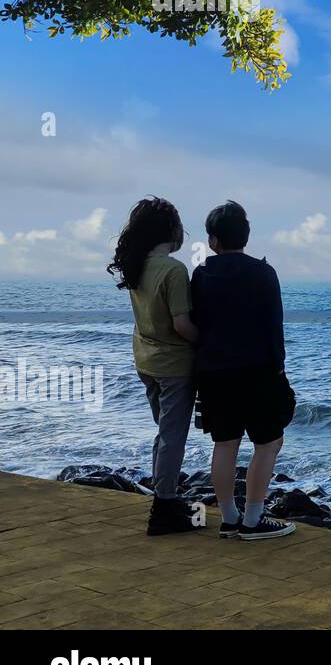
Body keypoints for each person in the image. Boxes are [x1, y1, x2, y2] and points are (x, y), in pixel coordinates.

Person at [190, 200, 296, 541]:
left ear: (213, 241)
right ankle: (253, 518)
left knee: (225, 443)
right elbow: (273, 327)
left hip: (213, 373)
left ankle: (230, 518)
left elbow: (198, 323)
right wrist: (279, 372)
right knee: (268, 442)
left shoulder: (201, 275)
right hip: (259, 372)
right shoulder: (264, 273)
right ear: (245, 237)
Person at [108, 197, 200, 536]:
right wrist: (207, 341)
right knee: (173, 436)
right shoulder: (174, 269)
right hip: (174, 364)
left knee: (164, 432)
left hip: (145, 360)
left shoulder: (138, 264)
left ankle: (165, 496)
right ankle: (164, 507)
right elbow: (182, 325)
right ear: (172, 230)